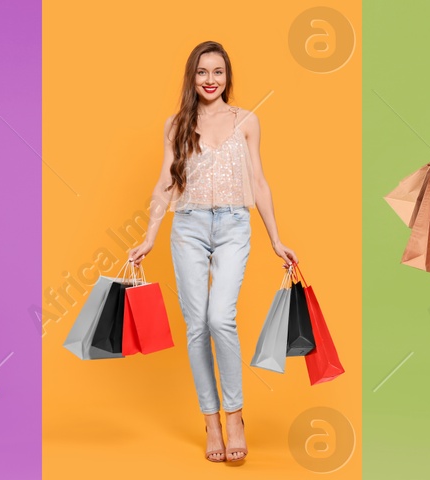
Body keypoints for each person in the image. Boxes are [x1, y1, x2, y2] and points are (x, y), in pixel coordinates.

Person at [126, 41, 298, 464]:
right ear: (192, 76)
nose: (210, 80)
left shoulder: (247, 121)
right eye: (202, 72)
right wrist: (149, 236)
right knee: (197, 325)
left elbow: (259, 182)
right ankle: (211, 422)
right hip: (188, 227)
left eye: (218, 72)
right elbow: (165, 182)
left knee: (221, 317)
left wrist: (276, 239)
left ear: (227, 76)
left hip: (234, 225)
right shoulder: (177, 125)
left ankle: (235, 415)